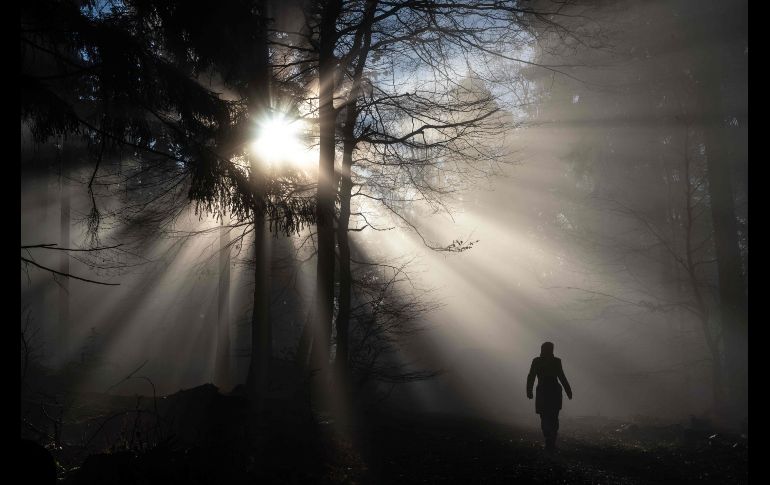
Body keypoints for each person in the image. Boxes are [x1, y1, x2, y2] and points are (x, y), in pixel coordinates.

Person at [526, 341, 572, 451]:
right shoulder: (555, 361)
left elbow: (531, 376)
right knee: (552, 417)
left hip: (544, 391)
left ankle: (549, 440)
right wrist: (568, 391)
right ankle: (550, 441)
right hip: (553, 391)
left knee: (545, 416)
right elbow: (562, 377)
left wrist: (529, 390)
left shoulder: (537, 361)